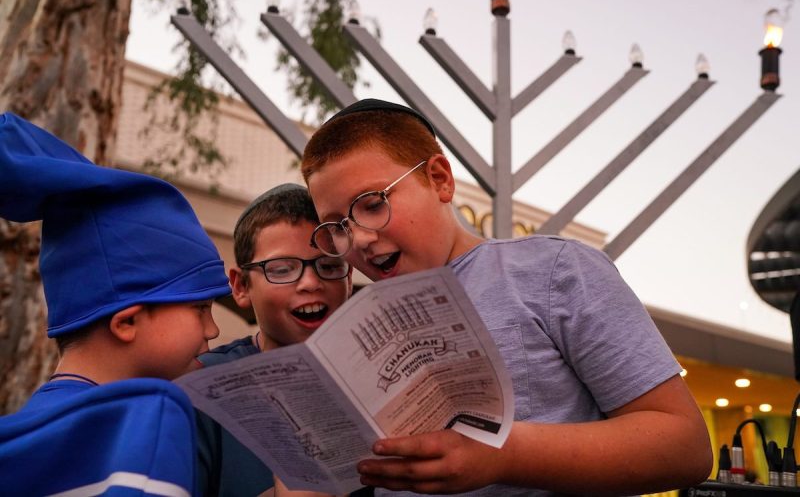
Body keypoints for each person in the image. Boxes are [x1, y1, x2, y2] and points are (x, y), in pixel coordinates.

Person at [299, 98, 713, 496]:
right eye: (336, 227)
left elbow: (685, 447)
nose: (360, 239)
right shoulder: (358, 326)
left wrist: (506, 454)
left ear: (439, 180)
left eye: (372, 205)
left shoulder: (555, 271)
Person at [0, 112, 231, 495]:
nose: (213, 330)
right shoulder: (149, 421)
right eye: (199, 308)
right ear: (126, 322)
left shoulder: (21, 439)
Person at [195, 183, 357, 496]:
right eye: (282, 269)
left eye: (329, 266)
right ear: (240, 286)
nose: (311, 283)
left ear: (348, 277)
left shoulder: (377, 382)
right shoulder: (202, 389)